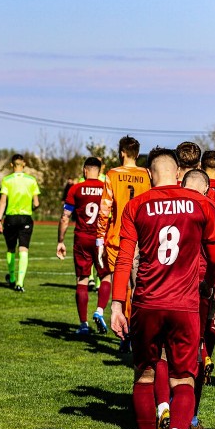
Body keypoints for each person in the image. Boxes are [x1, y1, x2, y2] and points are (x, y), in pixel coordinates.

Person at [108, 147, 215, 429]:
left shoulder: (136, 205)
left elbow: (125, 260)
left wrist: (117, 304)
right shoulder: (201, 204)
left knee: (144, 376)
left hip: (147, 304)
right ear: (177, 174)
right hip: (185, 305)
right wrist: (208, 287)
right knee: (184, 380)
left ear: (149, 176)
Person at [174, 141, 215, 429]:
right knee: (195, 352)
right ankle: (190, 417)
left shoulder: (160, 197)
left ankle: (163, 409)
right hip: (200, 288)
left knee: (162, 355)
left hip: (163, 286)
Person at [96, 136, 151, 348]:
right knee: (140, 286)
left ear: (121, 153)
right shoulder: (147, 175)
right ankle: (138, 331)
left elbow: (105, 210)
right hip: (144, 237)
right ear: (137, 154)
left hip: (118, 237)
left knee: (123, 286)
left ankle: (127, 331)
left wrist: (99, 238)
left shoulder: (112, 175)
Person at [57, 157, 110, 335]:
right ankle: (100, 310)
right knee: (106, 277)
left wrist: (60, 241)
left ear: (85, 170)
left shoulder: (76, 188)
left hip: (81, 238)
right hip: (101, 239)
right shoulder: (107, 188)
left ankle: (83, 325)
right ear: (100, 170)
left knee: (82, 280)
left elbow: (65, 217)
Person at [0, 154, 41, 293]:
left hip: (11, 218)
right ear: (24, 164)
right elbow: (36, 203)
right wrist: (31, 208)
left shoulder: (7, 180)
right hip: (26, 218)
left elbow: (3, 201)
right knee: (23, 249)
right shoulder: (31, 180)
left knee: (11, 249)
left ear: (11, 165)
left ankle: (12, 277)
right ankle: (20, 283)